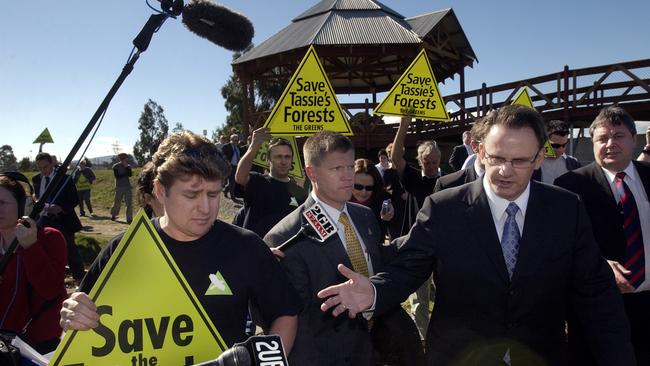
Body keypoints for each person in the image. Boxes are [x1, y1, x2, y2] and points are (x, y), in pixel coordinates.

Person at [318, 105, 635, 366]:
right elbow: (409, 268)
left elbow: (596, 294)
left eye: (520, 160)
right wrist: (374, 293)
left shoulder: (566, 209)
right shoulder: (444, 208)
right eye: (497, 158)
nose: (505, 171)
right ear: (481, 152)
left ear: (540, 157)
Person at [60, 131, 301, 353]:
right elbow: (78, 323)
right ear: (160, 191)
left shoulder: (246, 246)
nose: (206, 208)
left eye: (213, 194)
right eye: (191, 194)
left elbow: (285, 314)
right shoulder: (124, 249)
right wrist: (74, 314)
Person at [264, 131, 423, 366]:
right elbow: (290, 321)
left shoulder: (365, 216)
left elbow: (377, 259)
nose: (348, 176)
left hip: (377, 350)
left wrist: (427, 232)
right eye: (337, 169)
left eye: (350, 166)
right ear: (311, 172)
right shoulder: (286, 235)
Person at [555, 105, 650, 365]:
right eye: (601, 138)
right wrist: (599, 265)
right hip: (597, 306)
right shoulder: (569, 187)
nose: (610, 144)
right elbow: (562, 248)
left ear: (634, 139)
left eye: (618, 136)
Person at [0, 173, 68, 354]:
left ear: (25, 206)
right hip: (3, 342)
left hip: (37, 345)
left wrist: (30, 247)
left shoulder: (49, 238)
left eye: (2, 203)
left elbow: (50, 290)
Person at [391, 117, 442, 340]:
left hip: (445, 245)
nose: (430, 166)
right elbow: (395, 158)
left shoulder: (451, 180)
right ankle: (422, 337)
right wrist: (404, 124)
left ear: (439, 159)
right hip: (420, 245)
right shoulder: (413, 179)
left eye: (433, 161)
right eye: (426, 162)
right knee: (420, 297)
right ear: (420, 161)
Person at [233, 127, 307, 237]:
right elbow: (240, 177)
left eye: (287, 157)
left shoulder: (298, 191)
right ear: (268, 160)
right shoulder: (258, 181)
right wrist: (254, 145)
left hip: (285, 252)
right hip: (256, 250)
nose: (283, 161)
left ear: (292, 160)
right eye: (278, 157)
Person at [32, 152, 85, 281]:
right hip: (44, 220)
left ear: (52, 164)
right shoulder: (36, 179)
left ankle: (80, 279)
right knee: (47, 250)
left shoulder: (65, 179)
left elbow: (74, 200)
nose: (43, 171)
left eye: (45, 167)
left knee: (70, 250)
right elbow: (37, 196)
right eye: (39, 168)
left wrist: (61, 208)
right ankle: (54, 278)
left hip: (63, 221)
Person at [434, 118, 487, 192]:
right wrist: (459, 171)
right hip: (465, 173)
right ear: (463, 138)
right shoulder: (459, 148)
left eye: (470, 137)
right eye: (468, 137)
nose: (469, 138)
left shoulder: (474, 148)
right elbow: (452, 161)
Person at [351, 158, 394, 240]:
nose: (363, 192)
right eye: (358, 187)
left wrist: (389, 218)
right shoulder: (338, 200)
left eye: (369, 188)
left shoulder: (383, 201)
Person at [110, 152, 133, 223]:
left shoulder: (128, 166)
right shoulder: (115, 166)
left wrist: (126, 167)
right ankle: (114, 215)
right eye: (126, 158)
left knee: (129, 203)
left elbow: (130, 175)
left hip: (127, 186)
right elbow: (117, 176)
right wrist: (125, 173)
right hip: (119, 186)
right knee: (117, 202)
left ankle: (129, 219)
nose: (126, 159)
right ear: (123, 158)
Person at [222, 134, 245, 200]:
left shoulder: (238, 147)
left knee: (234, 181)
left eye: (237, 140)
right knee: (232, 181)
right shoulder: (226, 147)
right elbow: (223, 156)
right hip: (230, 166)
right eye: (235, 140)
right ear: (231, 140)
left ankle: (226, 190)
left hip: (236, 166)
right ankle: (233, 196)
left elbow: (242, 152)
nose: (236, 141)